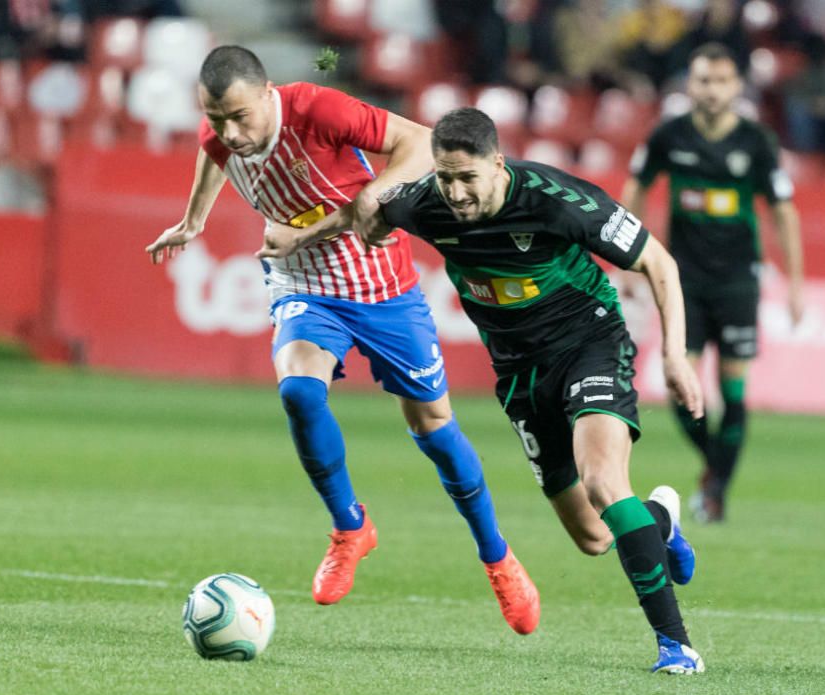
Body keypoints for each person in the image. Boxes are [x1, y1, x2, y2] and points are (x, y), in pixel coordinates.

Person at [261, 107, 707, 674]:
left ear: (498, 164)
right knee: (594, 536)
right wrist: (300, 236)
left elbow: (659, 263)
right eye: (446, 177)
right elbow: (363, 216)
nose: (456, 192)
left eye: (468, 178)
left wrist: (674, 356)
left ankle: (677, 647)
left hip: (588, 343)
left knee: (602, 480)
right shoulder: (426, 201)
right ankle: (660, 519)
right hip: (520, 372)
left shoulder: (559, 201)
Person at [144, 46, 539, 633]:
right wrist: (195, 218)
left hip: (381, 285)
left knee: (434, 428)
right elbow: (210, 151)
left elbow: (419, 143)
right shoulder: (223, 129)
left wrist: (360, 206)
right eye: (217, 118)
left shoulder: (317, 109)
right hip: (305, 287)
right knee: (300, 392)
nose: (230, 132)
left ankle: (498, 559)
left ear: (268, 93)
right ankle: (350, 527)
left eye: (239, 118)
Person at [621, 42, 804, 523]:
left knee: (734, 388)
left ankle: (716, 488)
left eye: (721, 80)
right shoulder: (668, 135)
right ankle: (714, 469)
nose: (712, 90)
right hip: (684, 281)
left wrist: (798, 283)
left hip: (739, 280)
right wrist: (628, 261)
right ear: (690, 84)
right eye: (703, 80)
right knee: (680, 386)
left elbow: (782, 211)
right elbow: (636, 187)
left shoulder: (757, 141)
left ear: (737, 86)